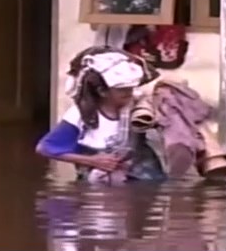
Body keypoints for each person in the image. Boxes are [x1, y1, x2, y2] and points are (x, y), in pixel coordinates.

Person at [35, 47, 165, 183]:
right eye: (122, 90)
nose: (129, 93)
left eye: (131, 88)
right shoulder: (81, 114)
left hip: (141, 181)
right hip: (99, 183)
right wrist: (92, 161)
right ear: (102, 91)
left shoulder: (140, 108)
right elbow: (45, 148)